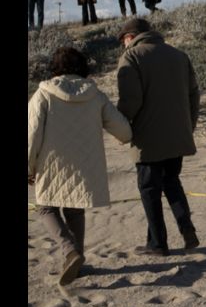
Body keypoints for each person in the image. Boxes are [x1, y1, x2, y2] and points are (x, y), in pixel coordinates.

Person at [28, 47, 132, 285]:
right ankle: (76, 260)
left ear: (55, 67)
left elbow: (31, 134)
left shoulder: (43, 93)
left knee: (45, 208)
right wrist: (127, 137)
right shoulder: (95, 94)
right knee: (75, 209)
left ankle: (69, 251)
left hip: (51, 163)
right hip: (85, 163)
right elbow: (123, 130)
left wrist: (29, 167)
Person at [116, 18, 201, 256]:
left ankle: (158, 244)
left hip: (147, 137)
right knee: (172, 182)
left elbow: (130, 101)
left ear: (130, 37)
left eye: (123, 40)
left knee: (149, 189)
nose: (124, 45)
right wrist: (188, 127)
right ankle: (186, 228)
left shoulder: (132, 57)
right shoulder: (178, 55)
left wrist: (120, 128)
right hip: (178, 133)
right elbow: (194, 95)